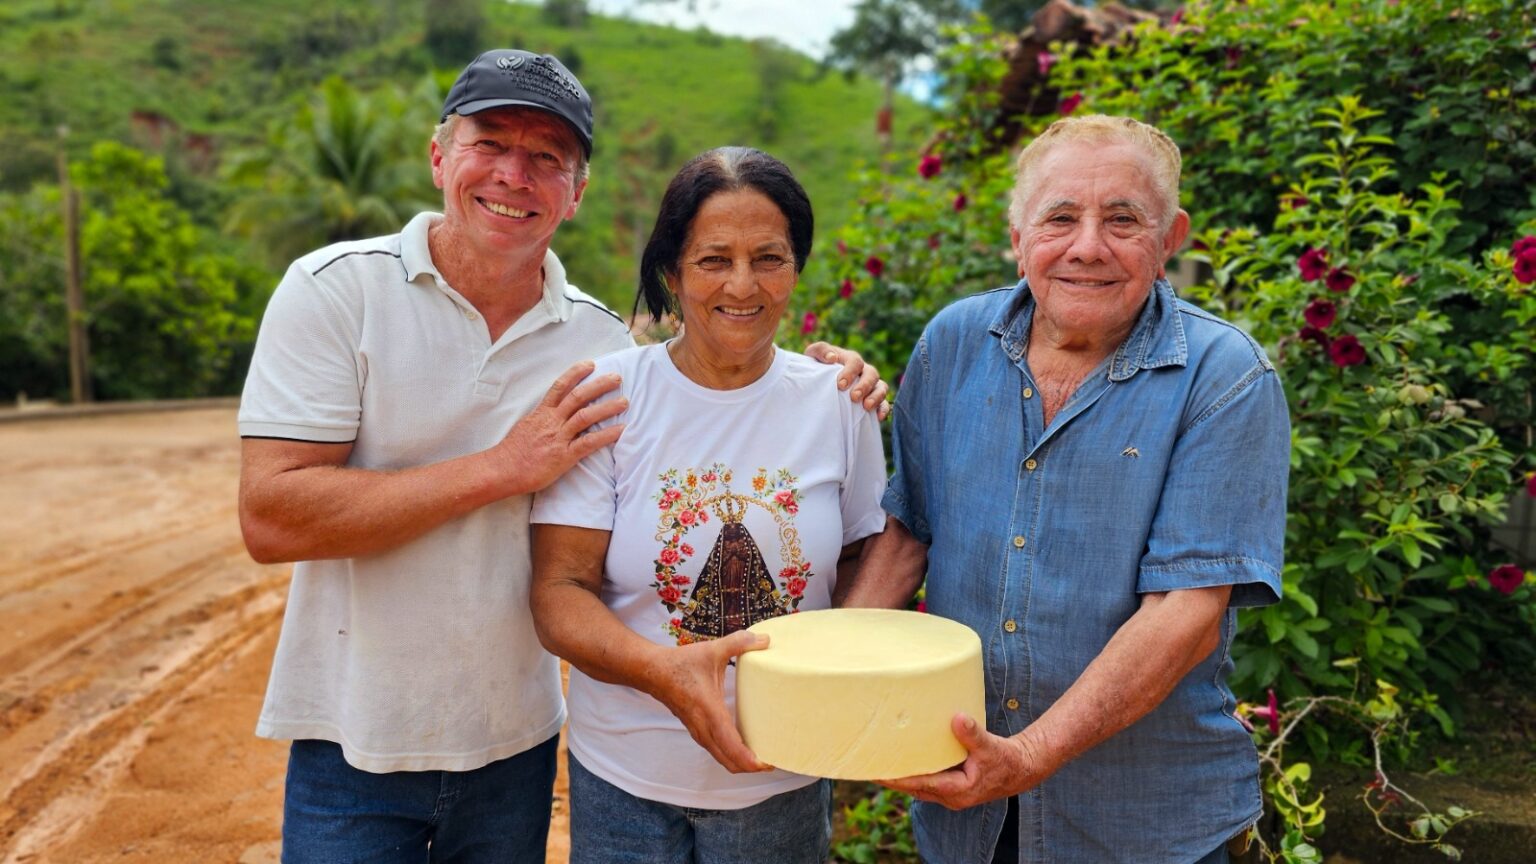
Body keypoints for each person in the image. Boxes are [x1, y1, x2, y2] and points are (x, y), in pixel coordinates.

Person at [237, 50, 885, 862]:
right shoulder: (334, 291)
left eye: (547, 158)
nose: (515, 174)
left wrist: (839, 377)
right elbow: (269, 518)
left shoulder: (597, 345)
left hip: (516, 742)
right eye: (490, 144)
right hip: (354, 733)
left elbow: (857, 531)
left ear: (576, 193)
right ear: (440, 155)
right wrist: (503, 468)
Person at [835, 114, 1290, 864]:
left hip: (1143, 825)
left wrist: (1030, 756)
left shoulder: (1225, 377)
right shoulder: (952, 341)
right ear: (1017, 237)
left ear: (1171, 238)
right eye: (1059, 218)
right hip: (964, 819)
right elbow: (907, 536)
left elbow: (1186, 614)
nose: (1087, 246)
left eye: (1122, 220)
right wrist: (827, 685)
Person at [528, 146, 888, 864]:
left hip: (781, 773)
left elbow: (862, 559)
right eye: (714, 260)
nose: (743, 285)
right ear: (672, 272)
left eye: (770, 258)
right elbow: (559, 592)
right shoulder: (607, 398)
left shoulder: (840, 404)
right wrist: (663, 673)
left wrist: (839, 689)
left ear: (797, 269)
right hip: (625, 776)